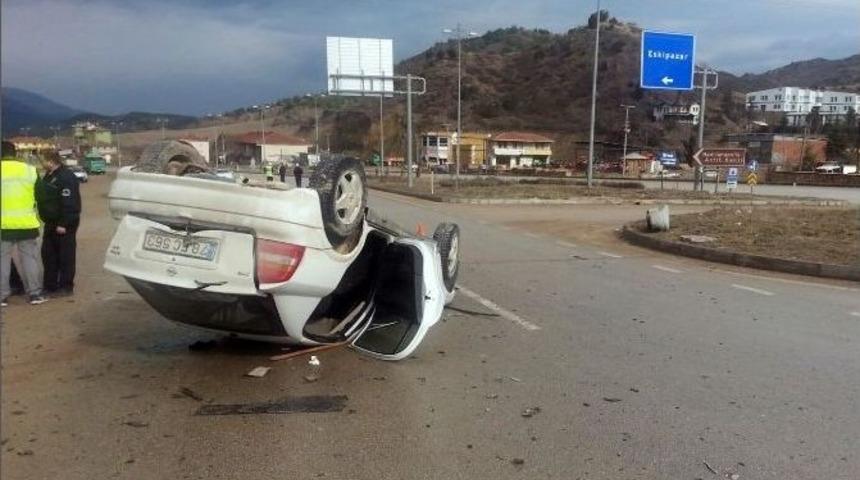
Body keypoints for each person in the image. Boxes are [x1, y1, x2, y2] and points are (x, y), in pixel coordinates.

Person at [1, 141, 48, 306]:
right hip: (27, 224)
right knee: (29, 260)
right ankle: (35, 294)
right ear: (15, 153)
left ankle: (2, 296)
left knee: (2, 261)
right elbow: (42, 197)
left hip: (3, 227)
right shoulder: (30, 171)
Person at [36, 151, 81, 297]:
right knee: (48, 255)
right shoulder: (49, 176)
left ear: (50, 161)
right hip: (51, 222)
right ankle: (50, 286)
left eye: (42, 160)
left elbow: (70, 203)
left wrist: (64, 223)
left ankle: (66, 287)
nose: (41, 164)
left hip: (64, 224)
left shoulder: (66, 177)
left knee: (65, 256)